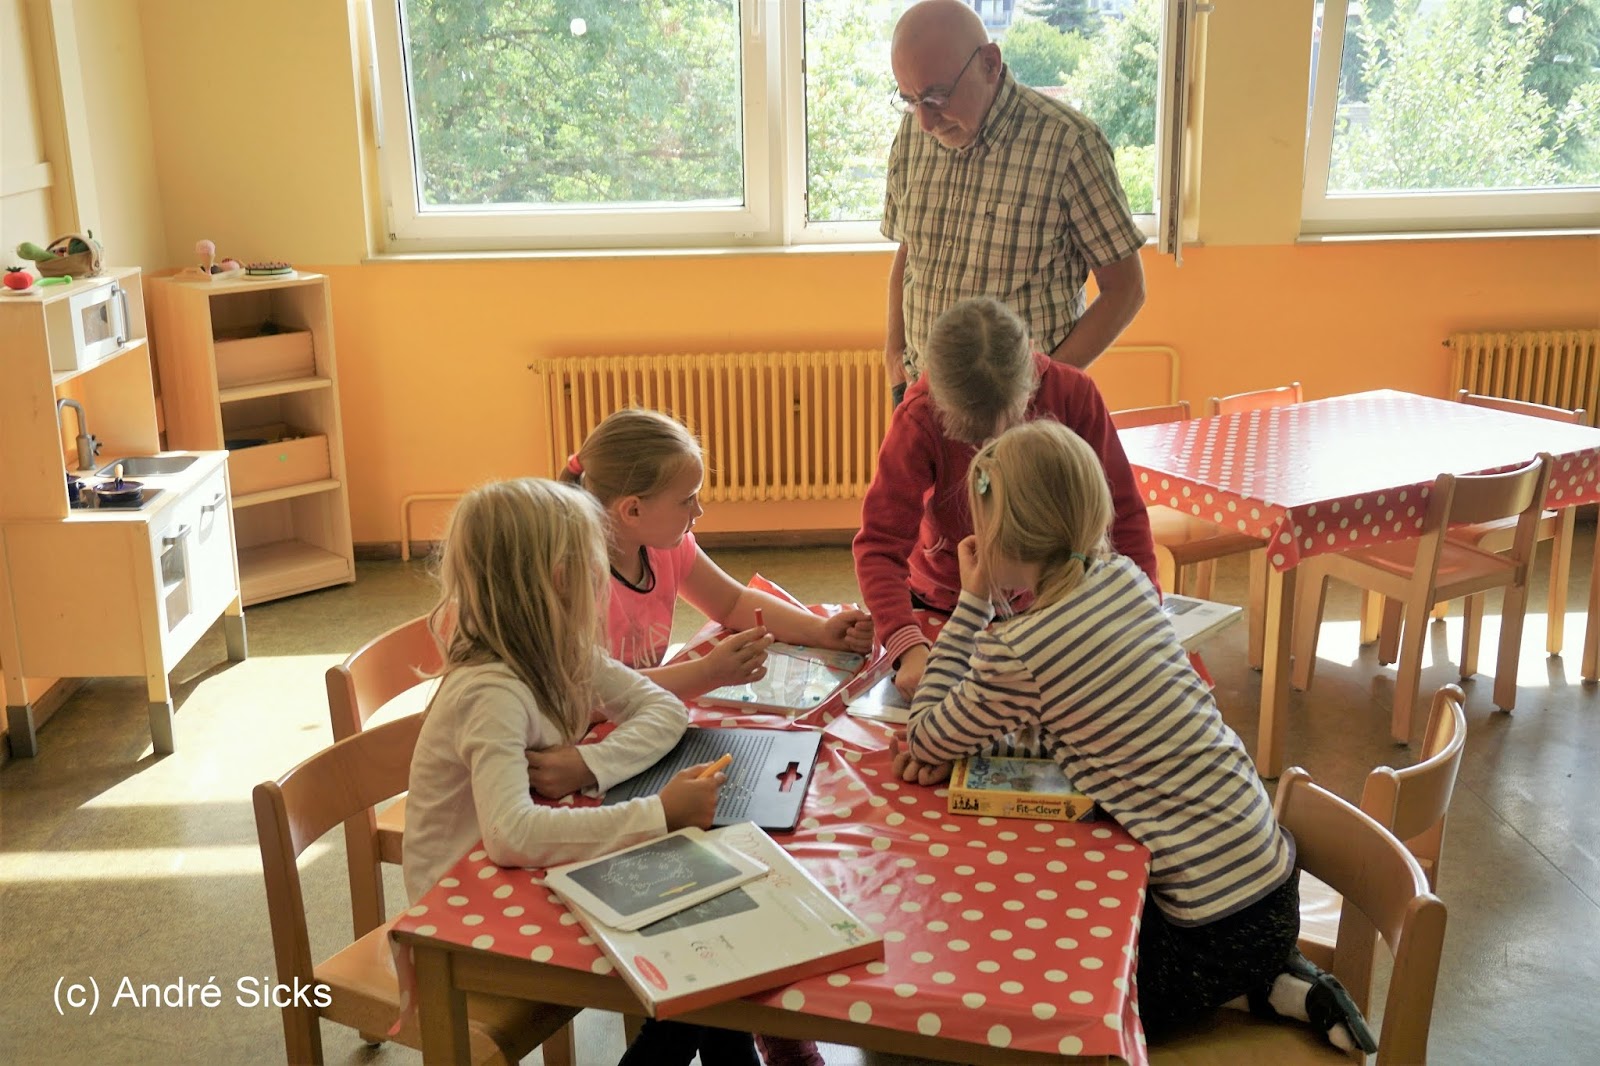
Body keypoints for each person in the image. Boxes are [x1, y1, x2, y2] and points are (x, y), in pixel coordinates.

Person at [892, 421, 1376, 1053]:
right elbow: (1082, 726)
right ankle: (1279, 983)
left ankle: (1244, 984)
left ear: (997, 541)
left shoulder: (1018, 646)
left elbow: (923, 732)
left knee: (1046, 991)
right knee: (1157, 931)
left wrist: (973, 599)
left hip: (1203, 927)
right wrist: (966, 743)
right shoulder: (1122, 578)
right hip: (1273, 884)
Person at [402, 477, 759, 1066]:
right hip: (463, 925)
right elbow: (512, 834)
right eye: (596, 565)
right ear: (564, 580)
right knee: (694, 952)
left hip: (525, 872)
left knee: (706, 938)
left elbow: (664, 710)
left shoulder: (557, 652)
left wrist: (588, 764)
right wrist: (658, 813)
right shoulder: (490, 691)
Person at [852, 295, 1156, 697]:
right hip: (942, 602)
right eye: (974, 437)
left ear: (1030, 384)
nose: (992, 443)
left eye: (1008, 426)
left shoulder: (1073, 394)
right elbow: (879, 546)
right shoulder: (918, 418)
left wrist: (1144, 616)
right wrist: (906, 644)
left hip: (1050, 602)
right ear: (940, 399)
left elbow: (1124, 515)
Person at [882, 0, 1147, 404]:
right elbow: (910, 249)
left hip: (1021, 410)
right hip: (922, 397)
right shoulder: (912, 134)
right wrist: (893, 355)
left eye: (936, 97)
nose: (925, 122)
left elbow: (1126, 289)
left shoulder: (1068, 143)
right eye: (910, 101)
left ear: (990, 63)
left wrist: (1047, 387)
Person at [560, 407, 872, 700]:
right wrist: (707, 673)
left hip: (640, 707)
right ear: (633, 510)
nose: (698, 511)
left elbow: (732, 603)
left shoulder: (667, 548)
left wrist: (820, 630)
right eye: (686, 500)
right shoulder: (572, 578)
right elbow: (587, 697)